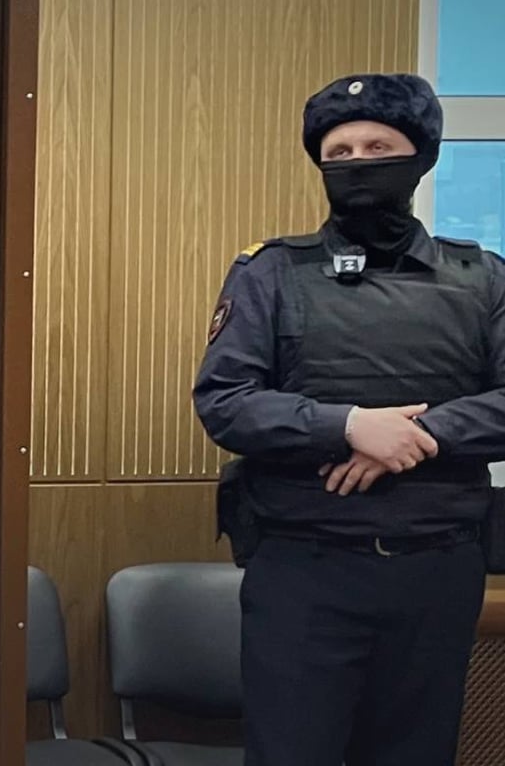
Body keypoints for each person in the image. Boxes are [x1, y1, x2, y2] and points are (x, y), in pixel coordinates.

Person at [194, 73, 502, 766]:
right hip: (304, 572)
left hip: (436, 573)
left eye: (377, 147)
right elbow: (225, 400)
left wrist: (420, 435)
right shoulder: (270, 272)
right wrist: (348, 426)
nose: (357, 163)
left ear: (421, 158)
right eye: (339, 153)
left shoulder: (482, 277)